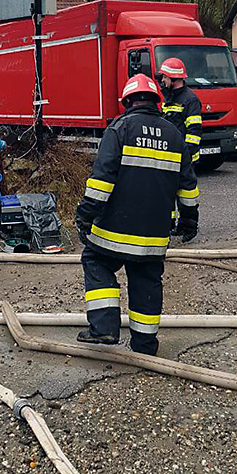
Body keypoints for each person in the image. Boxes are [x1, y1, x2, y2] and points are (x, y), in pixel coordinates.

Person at [75, 73, 199, 356]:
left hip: (113, 232)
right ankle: (144, 345)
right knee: (146, 280)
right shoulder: (174, 135)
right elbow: (188, 185)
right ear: (157, 101)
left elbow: (102, 181)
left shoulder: (119, 129)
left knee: (96, 261)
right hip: (154, 235)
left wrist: (85, 215)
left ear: (128, 101)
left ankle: (104, 329)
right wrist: (189, 220)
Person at [157, 57, 203, 166]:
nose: (162, 80)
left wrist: (186, 155)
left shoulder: (190, 100)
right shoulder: (169, 97)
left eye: (165, 77)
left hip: (185, 159)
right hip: (171, 155)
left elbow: (194, 132)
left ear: (173, 79)